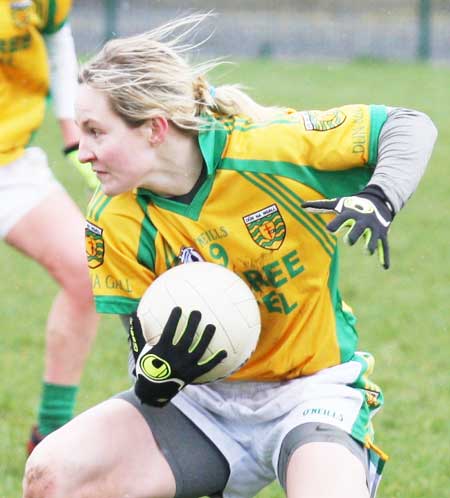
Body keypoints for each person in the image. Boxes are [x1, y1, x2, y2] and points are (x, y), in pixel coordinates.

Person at [22, 13, 437, 498]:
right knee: (51, 477)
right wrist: (157, 376)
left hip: (311, 391)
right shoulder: (113, 218)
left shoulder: (268, 149)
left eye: (96, 131)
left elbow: (408, 124)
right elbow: (142, 351)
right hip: (202, 405)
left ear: (154, 128)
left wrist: (380, 196)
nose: (83, 151)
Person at [0, 0, 99, 454]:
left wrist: (71, 127)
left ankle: (51, 435)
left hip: (10, 162)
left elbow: (57, 35)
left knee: (88, 269)